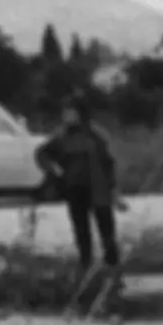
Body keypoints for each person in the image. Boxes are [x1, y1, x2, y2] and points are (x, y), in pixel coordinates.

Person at [34, 95, 126, 292]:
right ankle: (86, 271)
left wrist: (115, 192)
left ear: (80, 113)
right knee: (81, 232)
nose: (67, 116)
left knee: (107, 233)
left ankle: (114, 273)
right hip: (75, 190)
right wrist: (55, 171)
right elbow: (41, 154)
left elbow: (109, 164)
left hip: (98, 190)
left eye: (71, 112)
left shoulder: (96, 135)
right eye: (65, 112)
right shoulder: (62, 137)